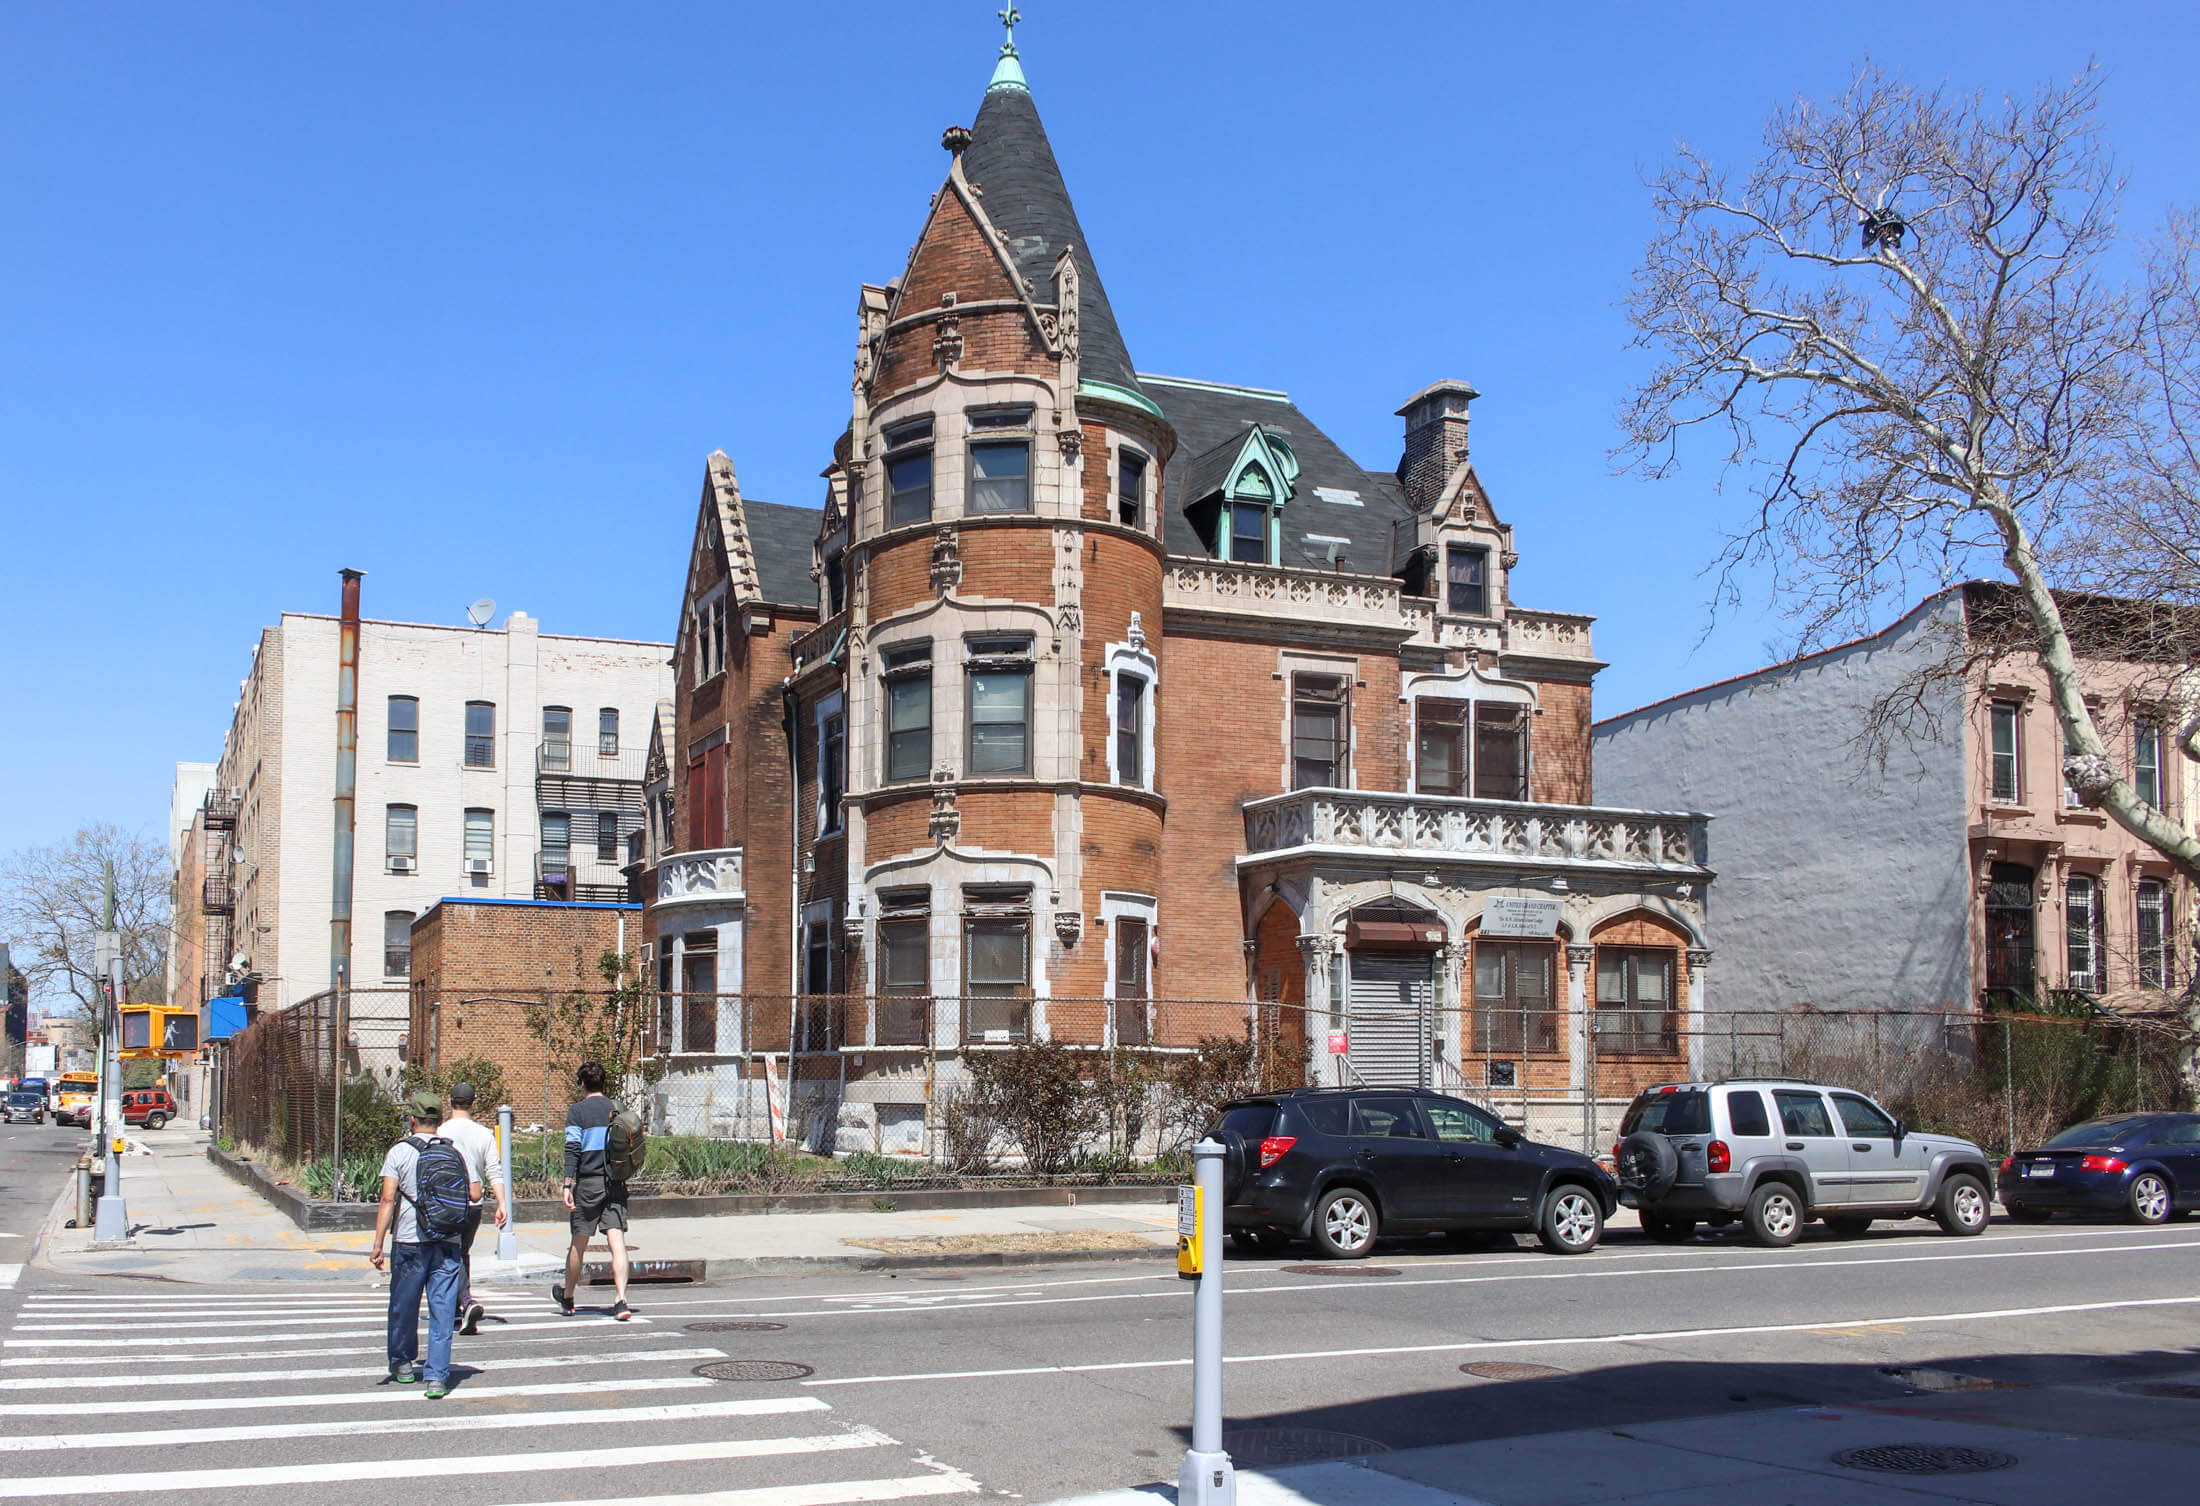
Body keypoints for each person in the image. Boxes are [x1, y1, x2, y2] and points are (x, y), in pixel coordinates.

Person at [369, 1091, 479, 1399]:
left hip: (409, 1240)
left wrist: (378, 1243)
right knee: (443, 1309)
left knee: (404, 1305)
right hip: (448, 1240)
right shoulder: (457, 1151)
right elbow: (473, 1193)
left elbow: (388, 1198)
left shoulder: (399, 1152)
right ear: (439, 1121)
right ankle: (437, 1378)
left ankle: (403, 1364)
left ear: (412, 1120)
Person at [554, 1061, 630, 1320]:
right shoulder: (617, 1108)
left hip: (587, 1182)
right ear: (603, 1083)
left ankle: (568, 1297)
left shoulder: (577, 1112)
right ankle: (621, 1300)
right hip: (615, 1182)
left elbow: (572, 1149)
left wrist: (567, 1184)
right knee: (617, 1241)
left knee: (579, 1241)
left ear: (582, 1084)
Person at [437, 1081, 509, 1336]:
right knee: (461, 1252)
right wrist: (502, 1203)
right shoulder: (483, 1134)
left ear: (450, 1101)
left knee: (449, 1254)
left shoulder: (440, 1131)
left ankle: (465, 1301)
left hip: (446, 1202)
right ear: (473, 1103)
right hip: (474, 1204)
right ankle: (461, 1305)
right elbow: (494, 1170)